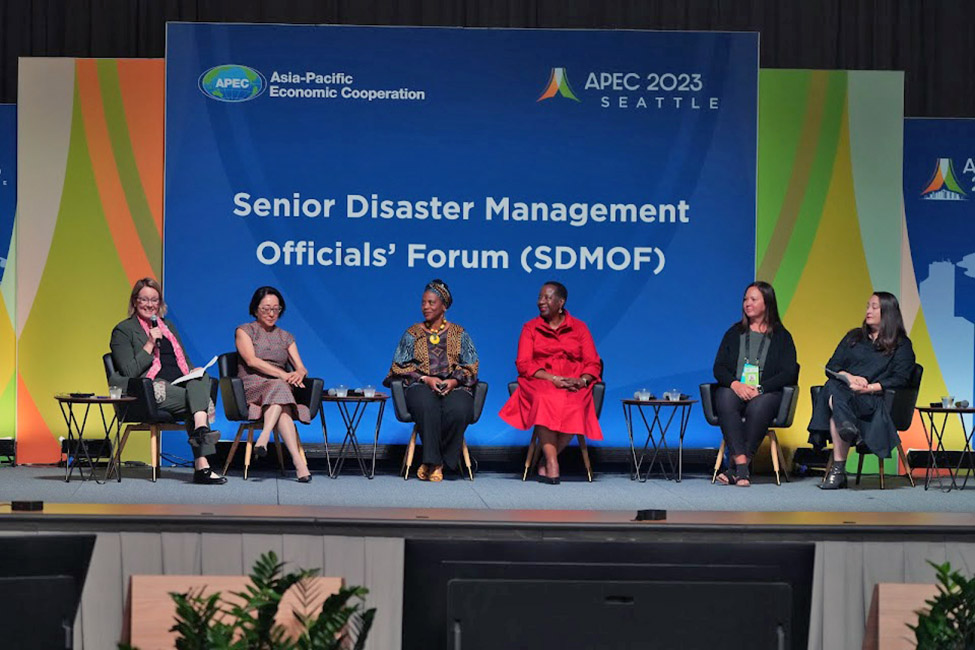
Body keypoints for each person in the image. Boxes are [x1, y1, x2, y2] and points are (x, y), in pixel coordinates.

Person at [109, 277, 226, 484]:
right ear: (135, 301)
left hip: (178, 383)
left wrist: (193, 370)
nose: (149, 305)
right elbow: (129, 371)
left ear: (160, 303)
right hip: (148, 390)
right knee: (196, 401)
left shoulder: (168, 326)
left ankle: (200, 430)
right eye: (144, 299)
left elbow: (184, 359)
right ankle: (202, 462)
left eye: (154, 300)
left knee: (202, 378)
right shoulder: (123, 330)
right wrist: (149, 344)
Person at [809, 291, 916, 490]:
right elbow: (831, 366)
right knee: (833, 385)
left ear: (888, 313)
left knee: (835, 408)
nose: (868, 311)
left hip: (875, 401)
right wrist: (849, 378)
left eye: (874, 307)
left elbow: (901, 378)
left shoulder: (901, 345)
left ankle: (838, 469)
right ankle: (847, 428)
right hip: (845, 393)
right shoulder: (854, 337)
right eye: (868, 306)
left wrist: (868, 387)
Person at [499, 282, 602, 484]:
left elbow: (593, 363)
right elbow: (523, 363)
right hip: (540, 380)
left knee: (576, 403)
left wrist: (581, 381)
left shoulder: (579, 328)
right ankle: (553, 463)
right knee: (544, 398)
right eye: (540, 298)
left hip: (573, 381)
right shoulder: (530, 328)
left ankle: (547, 462)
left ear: (561, 302)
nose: (541, 302)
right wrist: (553, 378)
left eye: (547, 298)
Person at [383, 279, 479, 482]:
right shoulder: (412, 333)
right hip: (420, 384)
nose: (425, 307)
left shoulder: (459, 333)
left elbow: (471, 365)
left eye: (431, 302)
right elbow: (398, 366)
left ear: (444, 306)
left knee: (459, 409)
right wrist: (425, 378)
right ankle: (433, 462)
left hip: (454, 385)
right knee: (427, 405)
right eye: (423, 302)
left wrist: (453, 381)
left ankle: (441, 461)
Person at [711, 281, 799, 487]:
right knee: (724, 396)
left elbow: (788, 372)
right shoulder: (734, 333)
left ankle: (735, 469)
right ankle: (742, 465)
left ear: (766, 303)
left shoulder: (782, 337)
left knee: (760, 405)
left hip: (766, 392)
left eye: (753, 299)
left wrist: (761, 389)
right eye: (745, 299)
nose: (747, 304)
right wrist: (735, 384)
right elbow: (719, 367)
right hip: (737, 389)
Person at [235, 286, 313, 482]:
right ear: (255, 309)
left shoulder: (286, 336)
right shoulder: (245, 331)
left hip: (279, 387)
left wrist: (298, 374)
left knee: (282, 400)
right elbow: (252, 361)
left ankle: (268, 441)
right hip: (252, 383)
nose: (271, 314)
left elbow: (301, 368)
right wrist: (283, 375)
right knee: (281, 388)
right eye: (266, 309)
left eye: (276, 309)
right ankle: (298, 463)